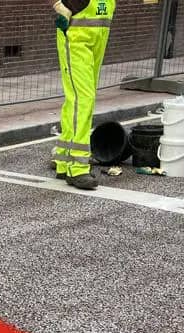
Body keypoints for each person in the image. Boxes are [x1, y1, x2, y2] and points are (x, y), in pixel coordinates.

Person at [51, 0, 115, 190]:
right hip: (76, 36)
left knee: (77, 100)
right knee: (83, 99)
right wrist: (58, 4)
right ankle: (77, 168)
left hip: (97, 35)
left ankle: (64, 160)